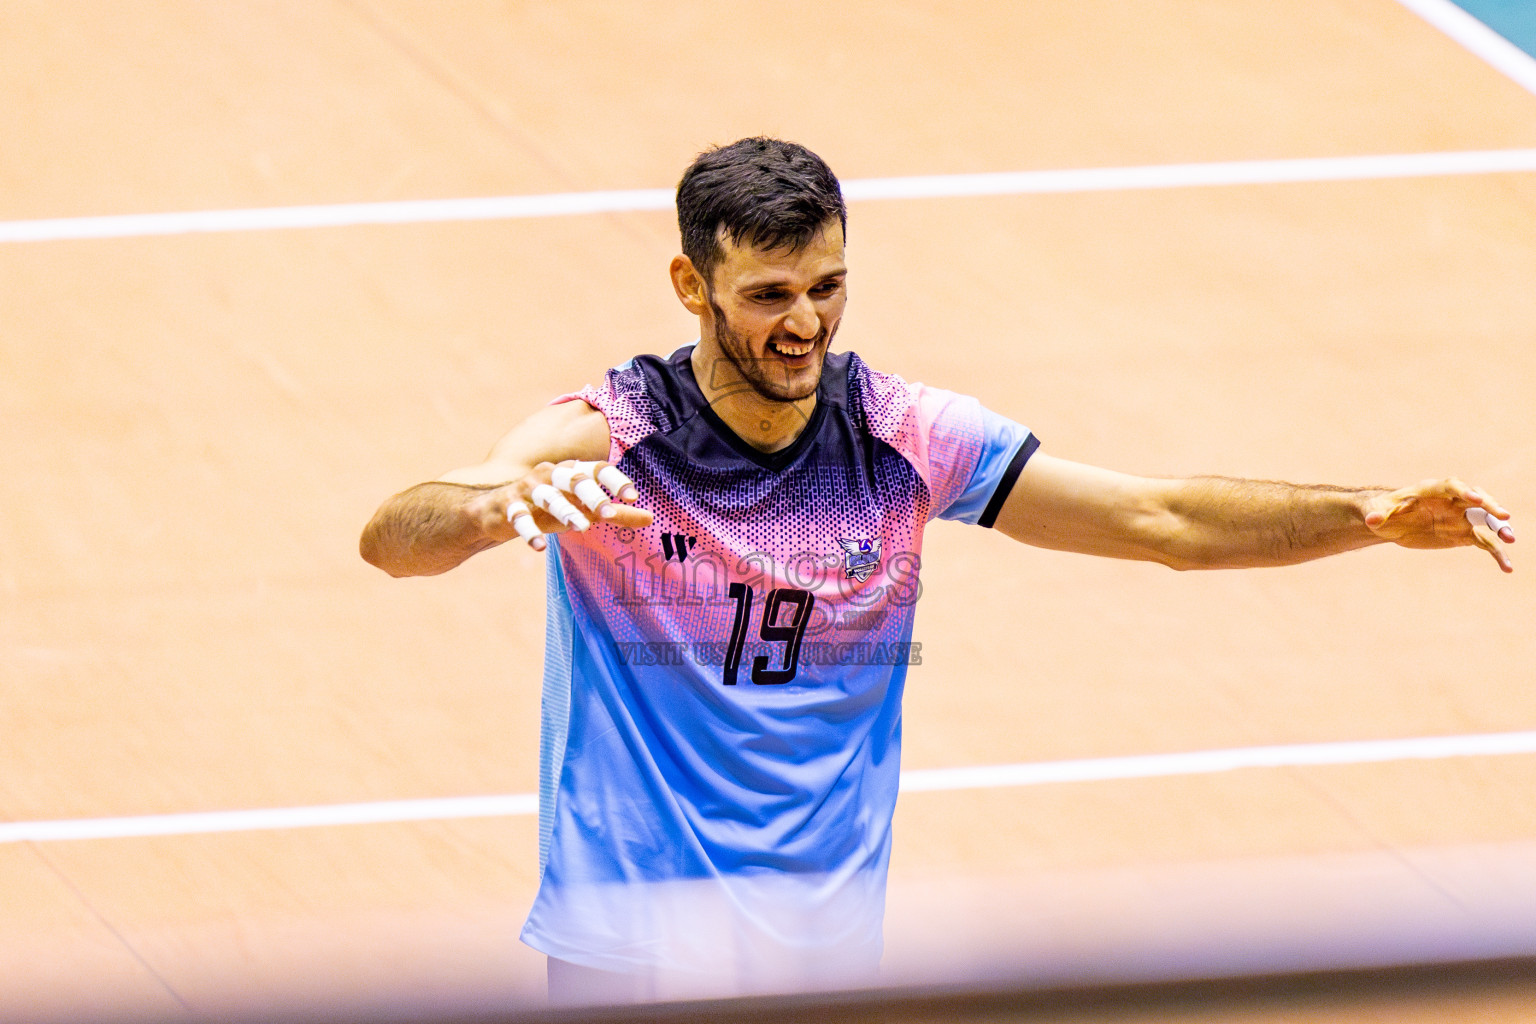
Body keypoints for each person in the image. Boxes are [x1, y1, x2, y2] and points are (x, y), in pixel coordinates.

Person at [360, 137, 1515, 1003]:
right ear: (690, 285)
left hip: (823, 952)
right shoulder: (614, 430)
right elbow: (396, 534)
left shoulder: (905, 435)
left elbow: (1161, 517)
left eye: (827, 285)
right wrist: (497, 506)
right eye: (768, 294)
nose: (803, 322)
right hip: (627, 944)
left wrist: (1361, 513)